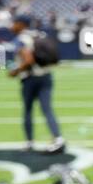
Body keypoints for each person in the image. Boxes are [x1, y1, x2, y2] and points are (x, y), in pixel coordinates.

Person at [7, 14, 65, 153]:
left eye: (14, 22)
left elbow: (28, 60)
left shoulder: (21, 39)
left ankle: (29, 142)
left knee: (27, 110)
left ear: (21, 24)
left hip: (30, 78)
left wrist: (15, 71)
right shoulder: (39, 34)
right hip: (46, 75)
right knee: (47, 109)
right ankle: (58, 138)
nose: (12, 25)